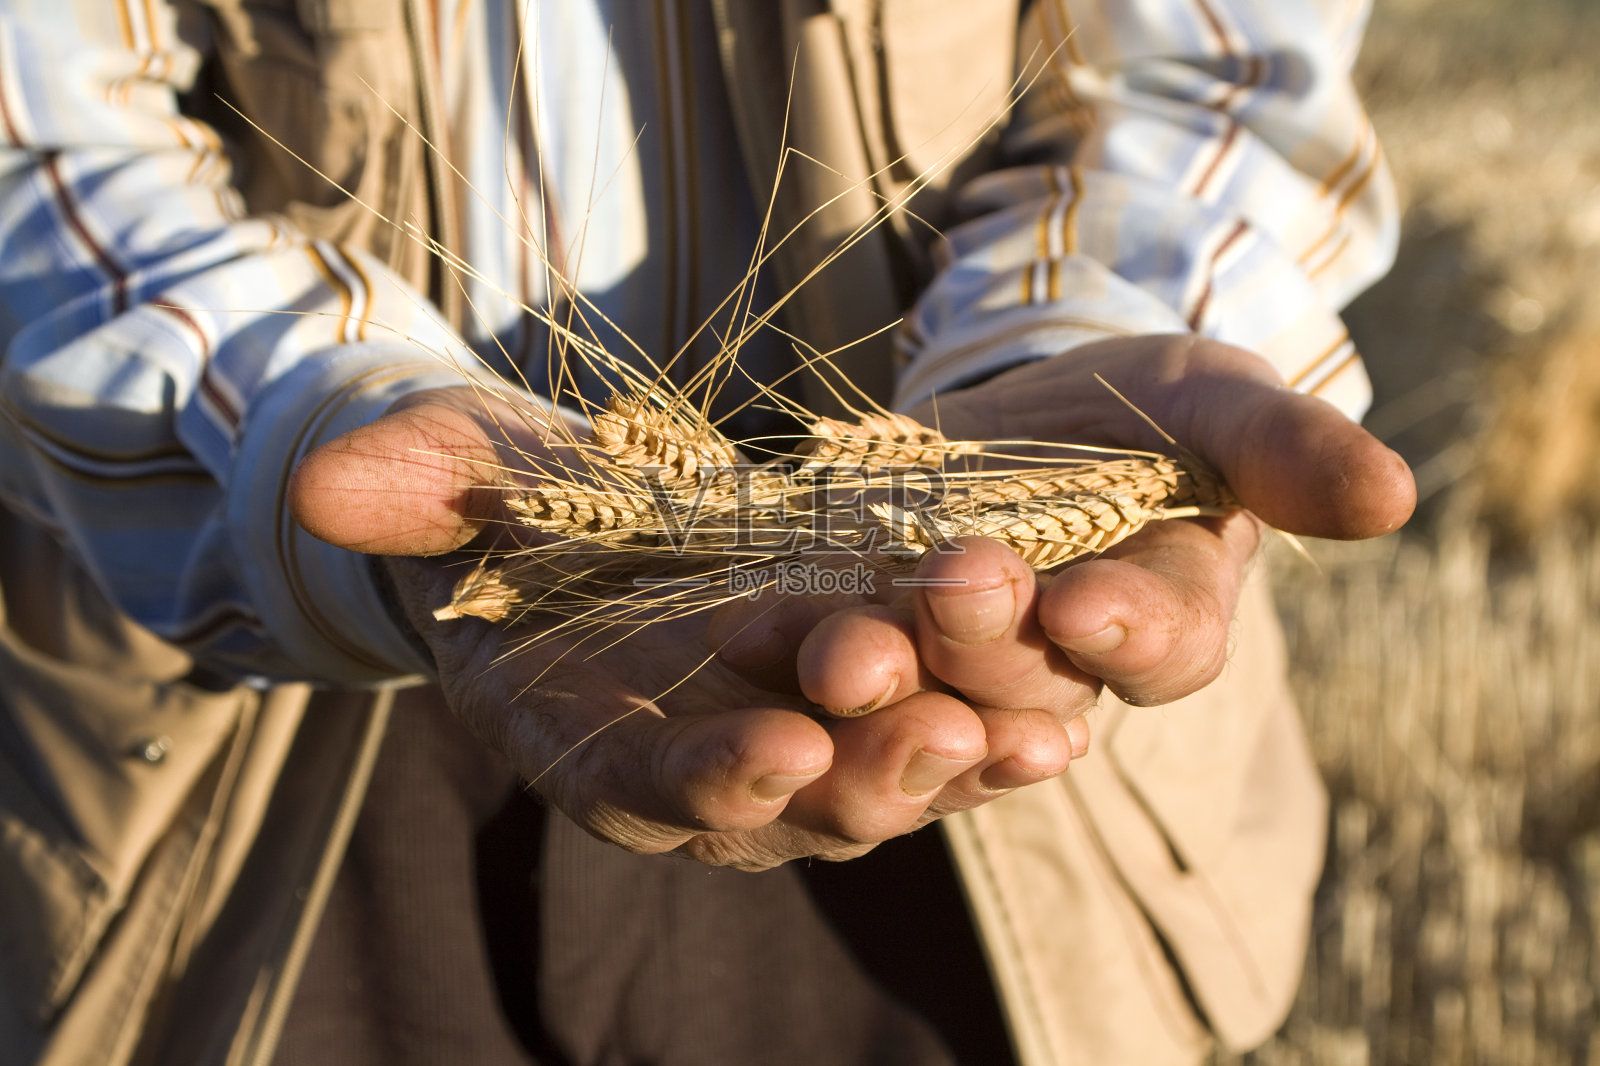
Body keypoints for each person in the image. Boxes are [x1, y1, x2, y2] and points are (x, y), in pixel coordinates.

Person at [0, 1, 1415, 1064]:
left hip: (971, 738)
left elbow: (1203, 77)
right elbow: (40, 137)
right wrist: (296, 404)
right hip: (291, 747)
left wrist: (1098, 339)